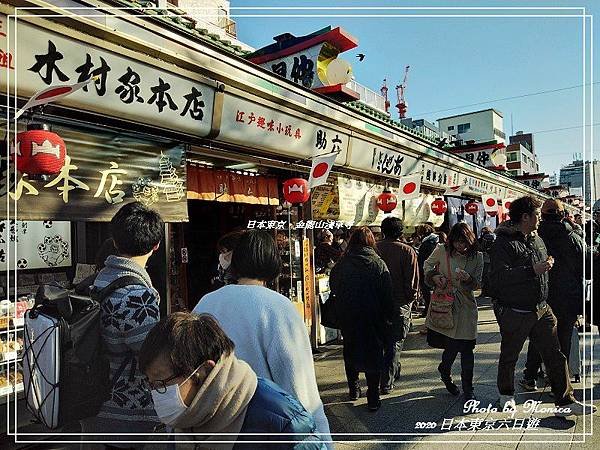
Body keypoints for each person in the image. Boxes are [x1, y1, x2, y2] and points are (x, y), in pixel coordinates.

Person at [193, 230, 331, 444]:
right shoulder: (278, 306)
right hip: (266, 429)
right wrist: (321, 438)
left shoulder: (206, 303)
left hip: (211, 427)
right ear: (273, 262)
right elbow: (298, 384)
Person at [139, 312, 325, 449]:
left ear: (203, 371)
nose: (156, 394)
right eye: (151, 384)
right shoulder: (184, 420)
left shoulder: (282, 421)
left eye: (161, 384)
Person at [489, 195, 596, 416]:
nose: (540, 219)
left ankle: (565, 400)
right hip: (515, 309)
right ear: (525, 217)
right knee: (510, 354)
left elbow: (544, 261)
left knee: (556, 355)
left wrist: (547, 265)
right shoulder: (503, 243)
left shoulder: (537, 237)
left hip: (542, 308)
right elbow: (499, 278)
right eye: (537, 215)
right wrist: (533, 270)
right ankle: (506, 395)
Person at [81, 201, 164, 445]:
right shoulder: (137, 296)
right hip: (128, 414)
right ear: (156, 245)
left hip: (93, 404)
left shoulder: (92, 284)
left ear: (114, 242)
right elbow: (153, 360)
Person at [520, 199, 586, 390]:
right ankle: (559, 382)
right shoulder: (573, 237)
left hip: (542, 295)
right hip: (568, 296)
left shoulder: (534, 237)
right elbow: (584, 265)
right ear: (563, 213)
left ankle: (530, 377)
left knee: (539, 338)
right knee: (563, 340)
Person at [329, 227, 394, 411]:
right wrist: (389, 316)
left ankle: (354, 388)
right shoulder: (378, 263)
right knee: (374, 354)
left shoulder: (342, 264)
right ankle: (372, 396)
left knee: (350, 350)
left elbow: (334, 286)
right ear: (371, 242)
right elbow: (387, 293)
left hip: (348, 316)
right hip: (374, 317)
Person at [424, 222, 483, 401]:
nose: (461, 246)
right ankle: (445, 372)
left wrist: (469, 279)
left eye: (464, 242)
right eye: (457, 242)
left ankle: (468, 388)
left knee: (467, 350)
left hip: (466, 307)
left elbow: (479, 284)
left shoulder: (477, 256)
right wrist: (435, 276)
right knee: (450, 348)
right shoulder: (442, 250)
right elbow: (427, 266)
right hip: (445, 304)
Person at [376, 217, 419, 394]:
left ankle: (388, 374)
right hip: (400, 302)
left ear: (383, 230)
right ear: (401, 233)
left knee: (381, 341)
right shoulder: (407, 251)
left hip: (376, 303)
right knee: (395, 342)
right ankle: (386, 382)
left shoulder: (374, 249)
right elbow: (413, 281)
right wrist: (412, 300)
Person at [416, 224, 439, 319]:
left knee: (427, 291)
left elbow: (425, 259)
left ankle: (429, 310)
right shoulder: (434, 241)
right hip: (433, 271)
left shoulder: (428, 243)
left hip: (426, 271)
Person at [478, 227, 496, 298]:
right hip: (493, 259)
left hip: (485, 259)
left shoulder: (485, 237)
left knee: (484, 276)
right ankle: (491, 292)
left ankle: (484, 292)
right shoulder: (494, 236)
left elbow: (482, 248)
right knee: (491, 276)